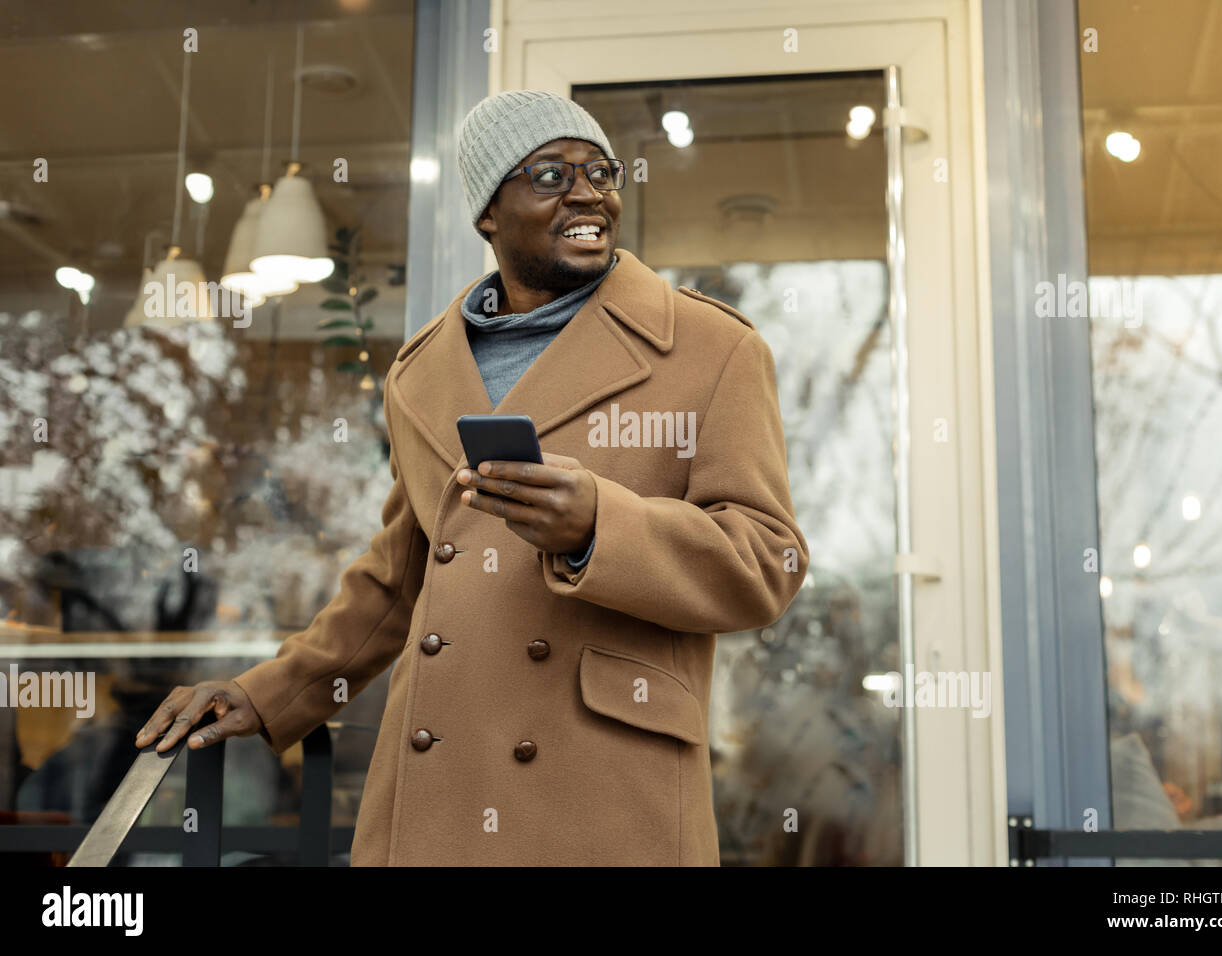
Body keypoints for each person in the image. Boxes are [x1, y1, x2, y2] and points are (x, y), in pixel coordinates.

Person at [136, 89, 809, 865]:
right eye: (551, 174)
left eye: (601, 171)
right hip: (438, 784)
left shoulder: (709, 348)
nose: (589, 192)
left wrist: (600, 528)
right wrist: (271, 691)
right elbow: (399, 578)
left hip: (607, 795)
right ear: (489, 211)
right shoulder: (421, 370)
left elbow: (767, 560)